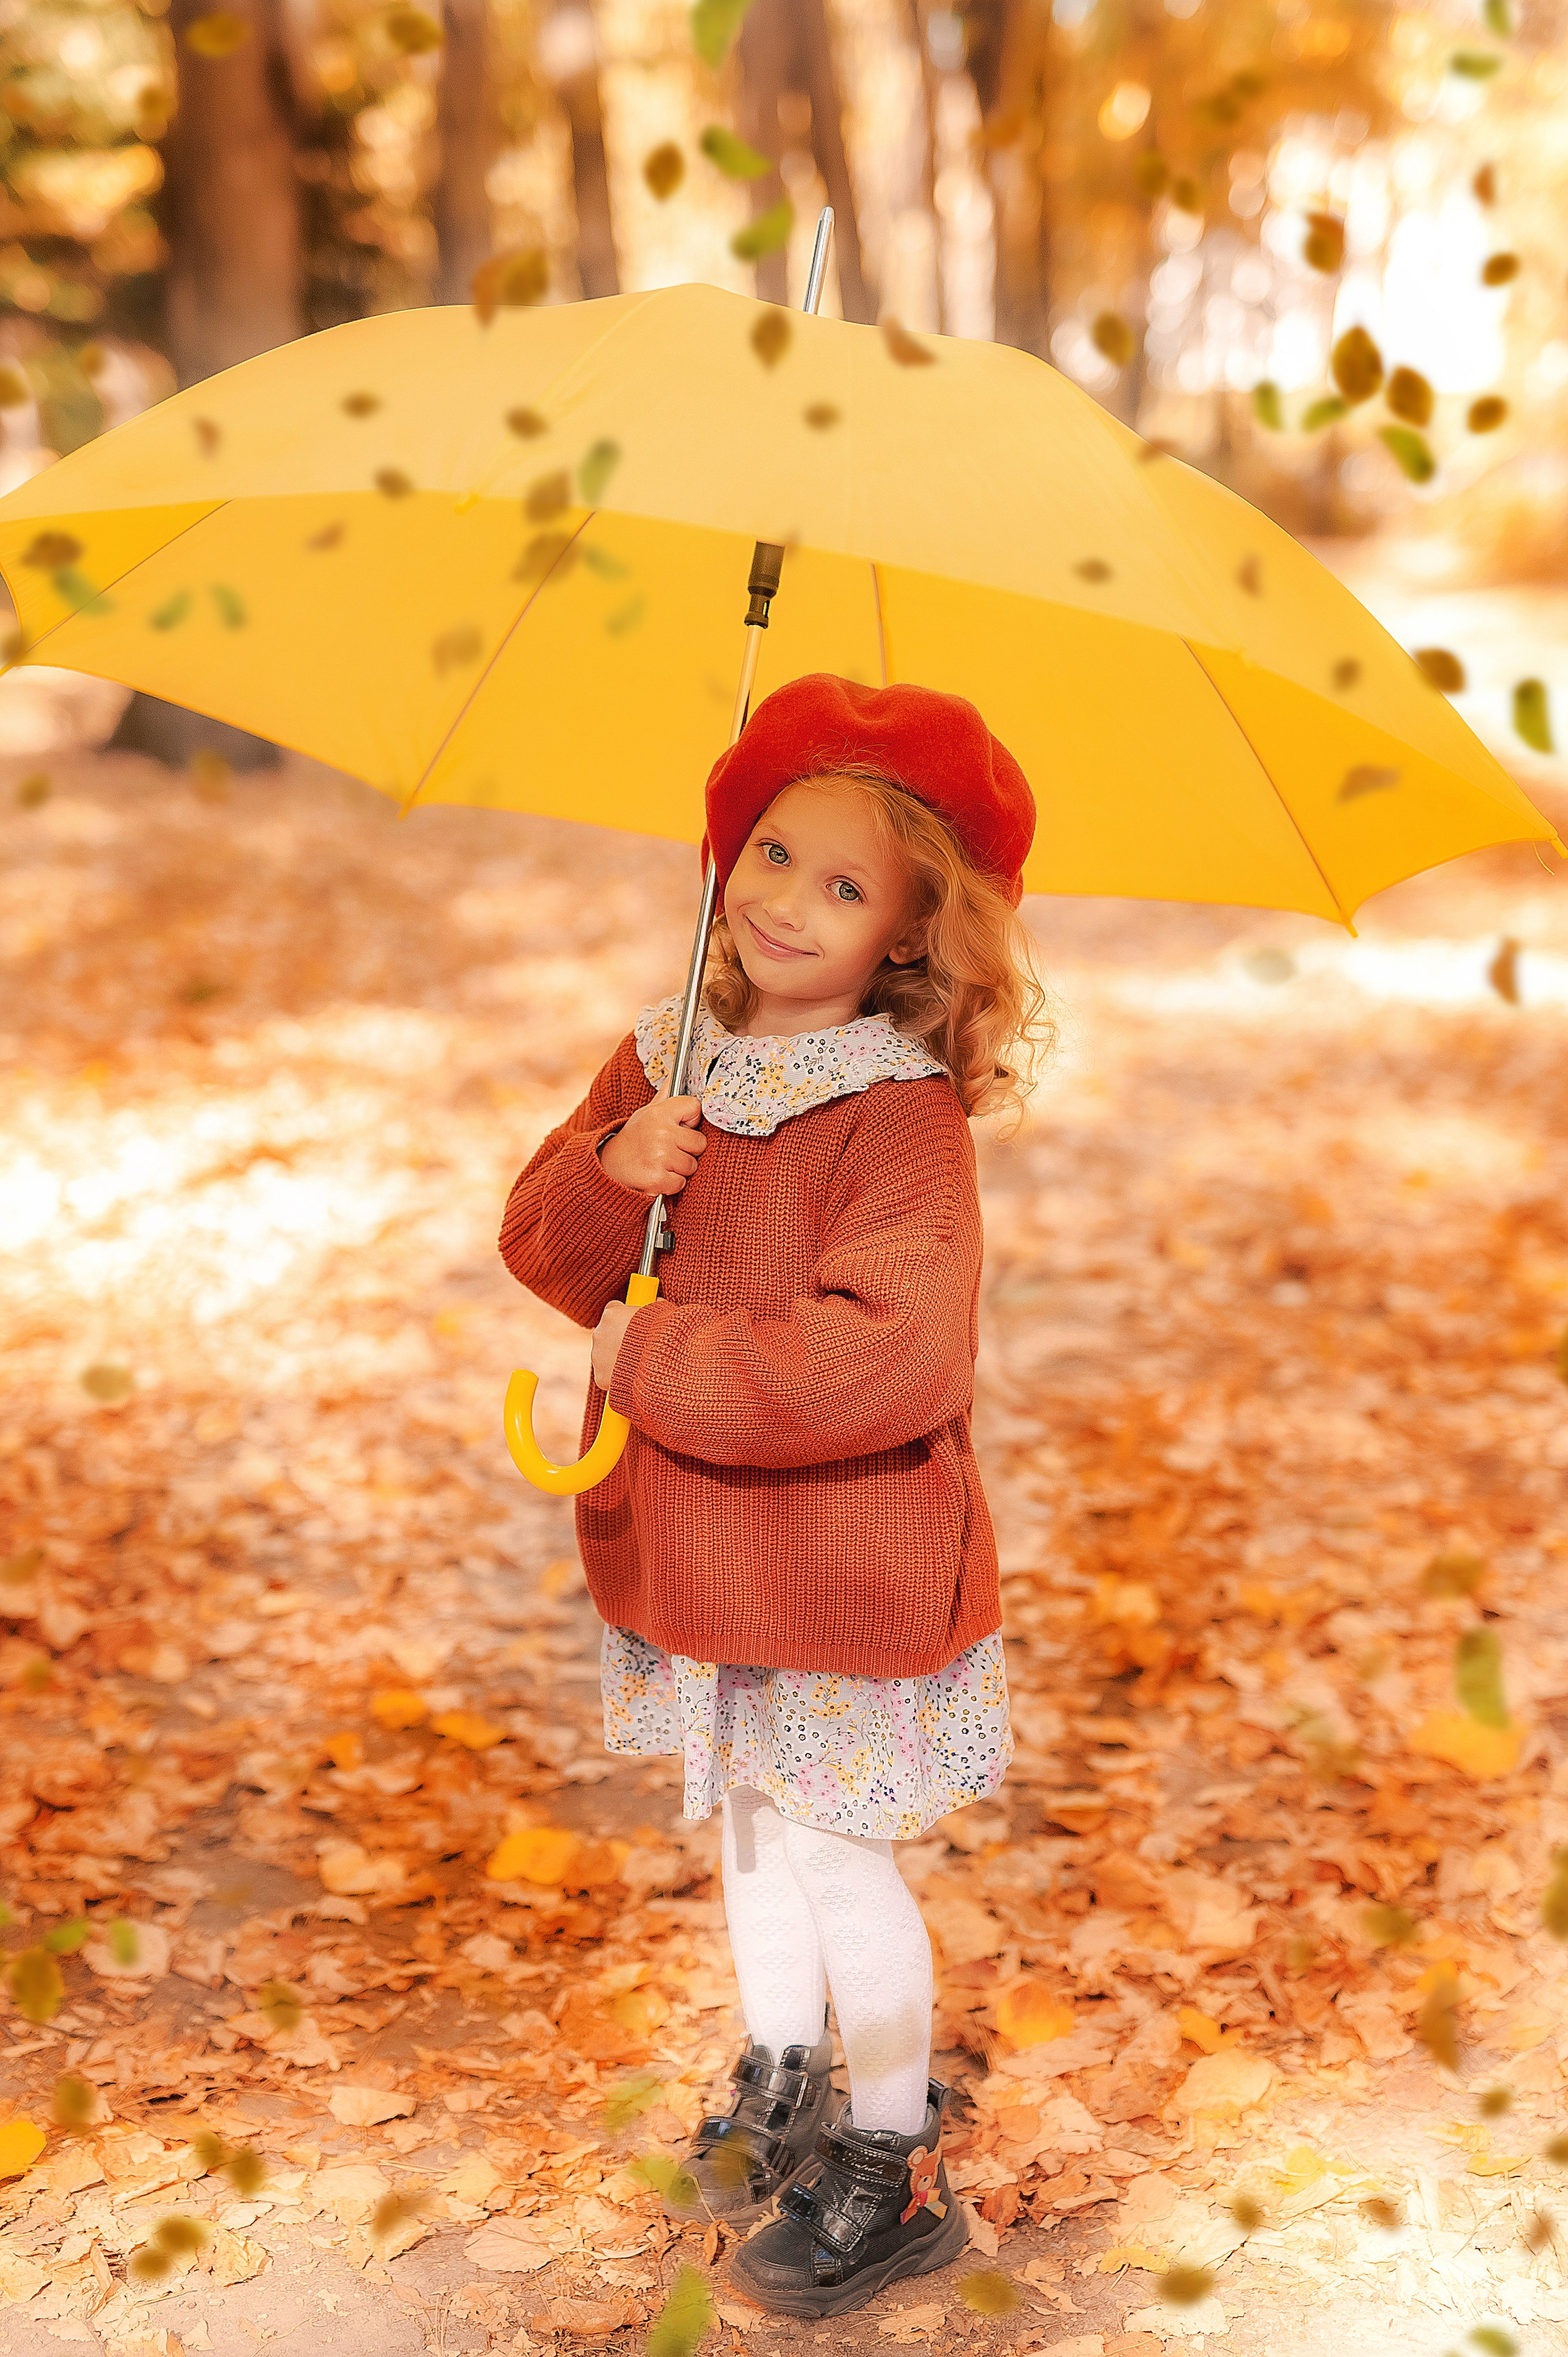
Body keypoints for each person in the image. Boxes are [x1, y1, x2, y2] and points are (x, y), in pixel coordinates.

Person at [499, 673, 1050, 2319]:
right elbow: (545, 1253)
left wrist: (655, 1356)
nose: (784, 897)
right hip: (696, 1555)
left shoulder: (898, 1116)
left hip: (840, 1565)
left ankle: (893, 2155)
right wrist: (614, 1173)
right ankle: (787, 2068)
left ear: (906, 931)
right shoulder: (669, 1052)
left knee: (831, 1848)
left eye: (843, 881)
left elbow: (886, 1360)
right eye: (773, 851)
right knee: (743, 1820)